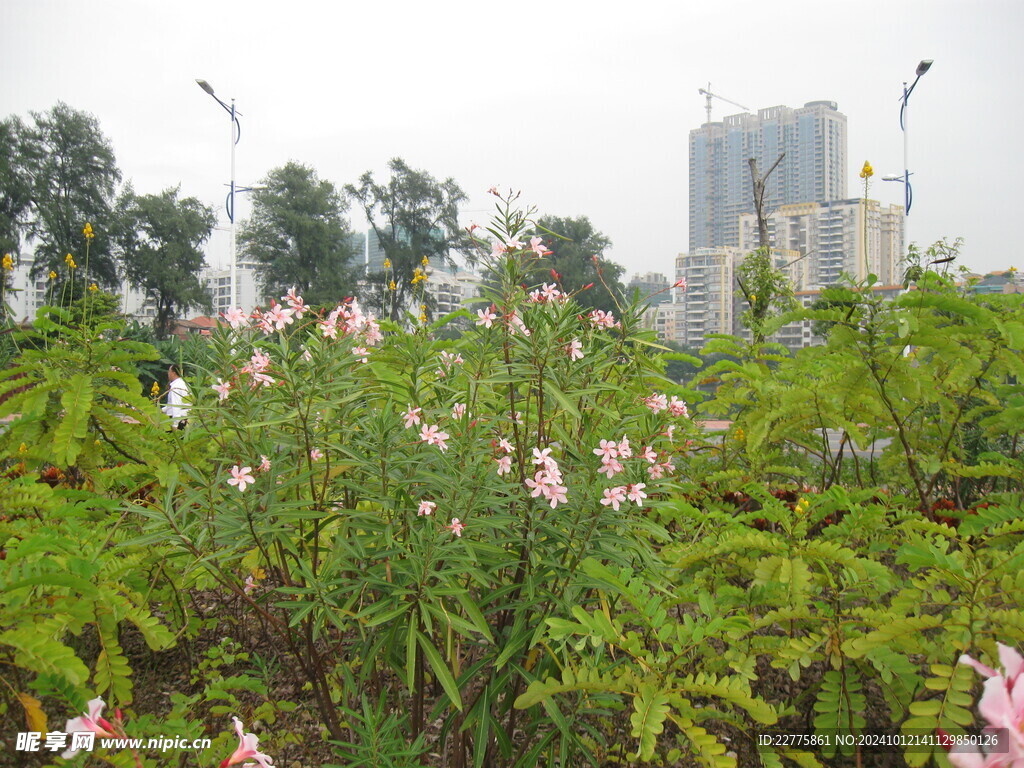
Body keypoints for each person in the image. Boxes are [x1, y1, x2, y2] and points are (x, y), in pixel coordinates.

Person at [163, 363, 191, 429]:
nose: (168, 373)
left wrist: (175, 424)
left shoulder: (176, 387)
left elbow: (176, 405)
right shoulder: (186, 384)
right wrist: (162, 410)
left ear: (173, 373)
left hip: (178, 419)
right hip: (185, 417)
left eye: (169, 371)